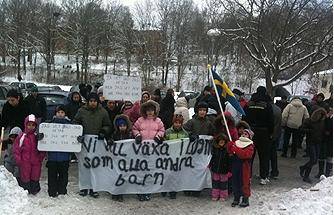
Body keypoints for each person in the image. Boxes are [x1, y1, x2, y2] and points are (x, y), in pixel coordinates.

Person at [74, 92, 112, 198]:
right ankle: (84, 187)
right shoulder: (81, 111)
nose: (93, 103)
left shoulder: (103, 112)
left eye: (95, 101)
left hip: (97, 141)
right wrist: (79, 133)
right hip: (85, 140)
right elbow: (75, 122)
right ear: (88, 101)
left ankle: (95, 187)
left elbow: (108, 125)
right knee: (83, 165)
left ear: (97, 102)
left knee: (96, 166)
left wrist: (103, 132)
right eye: (91, 101)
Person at [132, 100, 165, 201]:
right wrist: (137, 135)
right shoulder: (140, 120)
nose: (150, 112)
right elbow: (134, 128)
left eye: (152, 110)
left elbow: (162, 130)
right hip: (141, 150)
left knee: (150, 170)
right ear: (145, 111)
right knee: (141, 171)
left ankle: (148, 191)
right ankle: (139, 191)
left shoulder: (158, 121)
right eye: (148, 110)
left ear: (155, 111)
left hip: (153, 151)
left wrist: (158, 136)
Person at [243, 86, 274, 185]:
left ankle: (248, 176)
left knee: (249, 156)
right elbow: (271, 120)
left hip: (250, 131)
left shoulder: (249, 104)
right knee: (264, 155)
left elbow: (244, 117)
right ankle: (263, 177)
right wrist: (270, 133)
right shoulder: (267, 105)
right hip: (264, 133)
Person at [40, 105, 72, 197]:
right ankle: (52, 191)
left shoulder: (70, 125)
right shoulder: (49, 125)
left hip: (64, 157)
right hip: (52, 157)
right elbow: (43, 137)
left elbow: (73, 139)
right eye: (58, 112)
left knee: (63, 175)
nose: (60, 114)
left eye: (62, 112)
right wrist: (41, 137)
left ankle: (62, 191)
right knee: (52, 176)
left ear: (65, 114)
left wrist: (77, 140)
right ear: (55, 113)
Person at [183, 102, 214, 196]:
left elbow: (212, 133)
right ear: (197, 111)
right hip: (192, 151)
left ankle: (198, 188)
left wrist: (211, 137)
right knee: (190, 169)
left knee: (200, 169)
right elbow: (184, 130)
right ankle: (188, 187)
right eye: (200, 110)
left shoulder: (209, 123)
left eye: (204, 110)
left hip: (202, 152)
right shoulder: (192, 121)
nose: (202, 112)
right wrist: (190, 135)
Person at [13, 114, 45, 194]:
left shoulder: (37, 137)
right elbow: (17, 149)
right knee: (25, 176)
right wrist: (19, 160)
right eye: (29, 125)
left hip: (36, 161)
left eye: (33, 125)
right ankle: (26, 189)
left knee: (35, 175)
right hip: (25, 162)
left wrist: (40, 158)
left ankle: (34, 189)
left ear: (35, 126)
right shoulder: (21, 137)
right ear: (25, 125)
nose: (31, 127)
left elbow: (42, 148)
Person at [163, 114, 188, 199]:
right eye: (176, 122)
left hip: (179, 157)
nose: (177, 124)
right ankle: (165, 189)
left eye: (179, 123)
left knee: (176, 175)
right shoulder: (167, 132)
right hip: (169, 156)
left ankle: (173, 191)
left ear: (181, 123)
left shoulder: (185, 133)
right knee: (168, 174)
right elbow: (164, 142)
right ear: (173, 123)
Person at [299, 108, 327, 183]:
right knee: (313, 159)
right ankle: (306, 176)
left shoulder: (322, 122)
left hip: (318, 142)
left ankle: (303, 168)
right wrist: (310, 131)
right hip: (311, 141)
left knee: (315, 160)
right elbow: (301, 129)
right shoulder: (309, 121)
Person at [228, 129, 255, 207]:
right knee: (235, 182)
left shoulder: (250, 146)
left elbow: (245, 155)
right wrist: (230, 146)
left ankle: (245, 199)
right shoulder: (236, 143)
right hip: (235, 165)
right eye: (243, 133)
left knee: (244, 183)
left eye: (246, 134)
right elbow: (230, 152)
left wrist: (235, 149)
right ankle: (236, 197)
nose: (243, 135)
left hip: (244, 168)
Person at [111, 114, 133, 202]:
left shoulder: (129, 135)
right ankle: (114, 192)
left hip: (125, 159)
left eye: (124, 126)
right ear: (117, 126)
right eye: (120, 126)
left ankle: (121, 193)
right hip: (116, 159)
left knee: (123, 176)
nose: (122, 127)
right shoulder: (114, 134)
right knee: (115, 176)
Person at [210, 134, 230, 202]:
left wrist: (230, 171)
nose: (221, 142)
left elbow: (230, 162)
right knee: (215, 183)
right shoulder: (215, 149)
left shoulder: (227, 151)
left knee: (223, 184)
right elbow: (212, 158)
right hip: (215, 169)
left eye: (223, 141)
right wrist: (210, 165)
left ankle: (223, 196)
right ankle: (215, 195)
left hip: (224, 170)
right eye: (220, 141)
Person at [316, 107, 333, 178]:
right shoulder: (324, 118)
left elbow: (328, 130)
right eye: (329, 111)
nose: (330, 112)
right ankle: (320, 172)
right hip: (323, 140)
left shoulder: (329, 119)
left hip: (331, 141)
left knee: (329, 157)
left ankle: (327, 173)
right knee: (321, 156)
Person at [269, 98, 282, 179]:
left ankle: (266, 172)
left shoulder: (269, 109)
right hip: (276, 134)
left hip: (269, 134)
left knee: (267, 155)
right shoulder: (278, 109)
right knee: (273, 155)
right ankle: (274, 171)